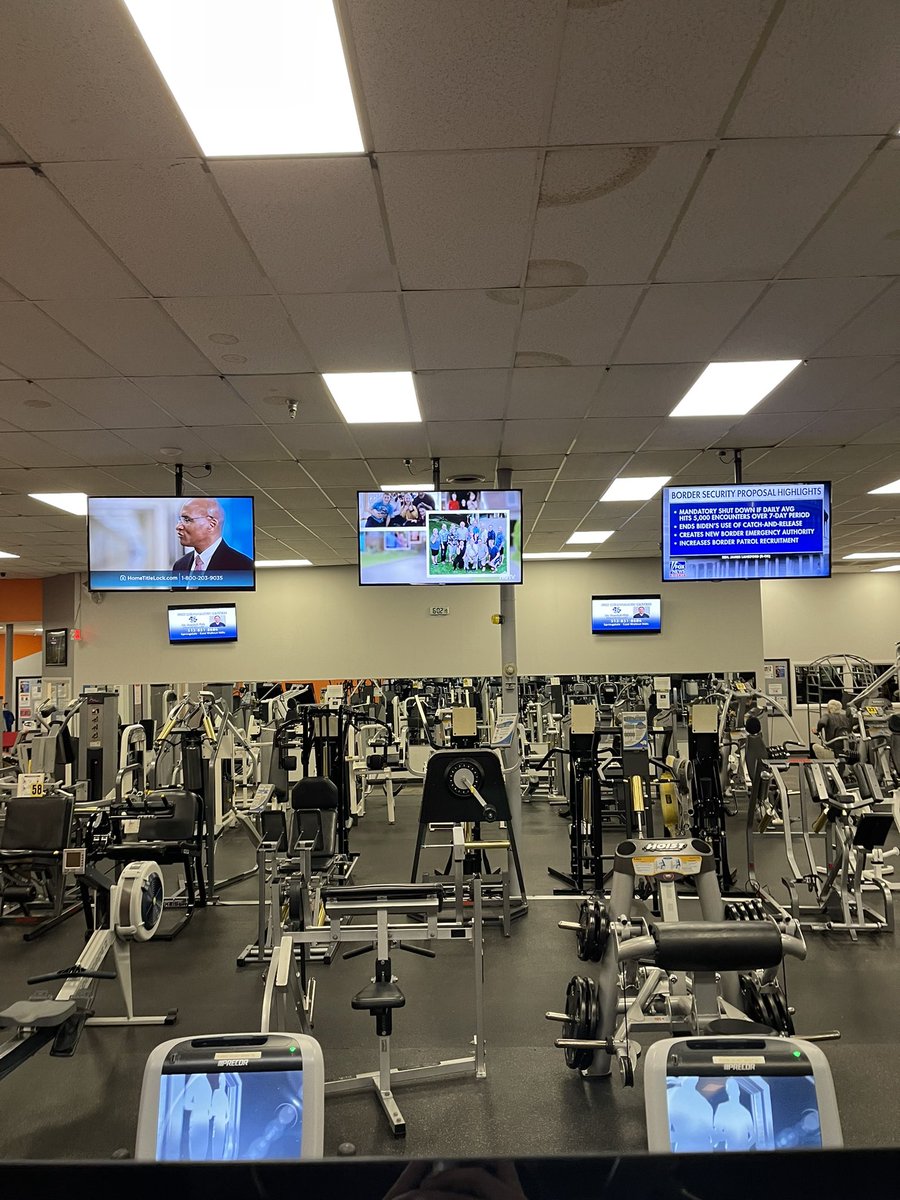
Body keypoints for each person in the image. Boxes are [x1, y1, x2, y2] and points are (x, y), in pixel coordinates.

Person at [172, 499, 254, 574]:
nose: (178, 526)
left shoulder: (243, 567)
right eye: (179, 520)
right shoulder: (179, 566)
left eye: (187, 520)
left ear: (212, 525)